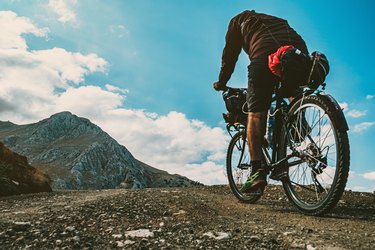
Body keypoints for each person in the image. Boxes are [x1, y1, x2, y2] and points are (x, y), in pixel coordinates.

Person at [213, 10, 308, 192]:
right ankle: (297, 116)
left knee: (256, 115)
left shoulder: (237, 22)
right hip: (297, 53)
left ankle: (258, 170)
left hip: (265, 55)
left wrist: (222, 82)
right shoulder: (277, 20)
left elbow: (230, 56)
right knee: (290, 91)